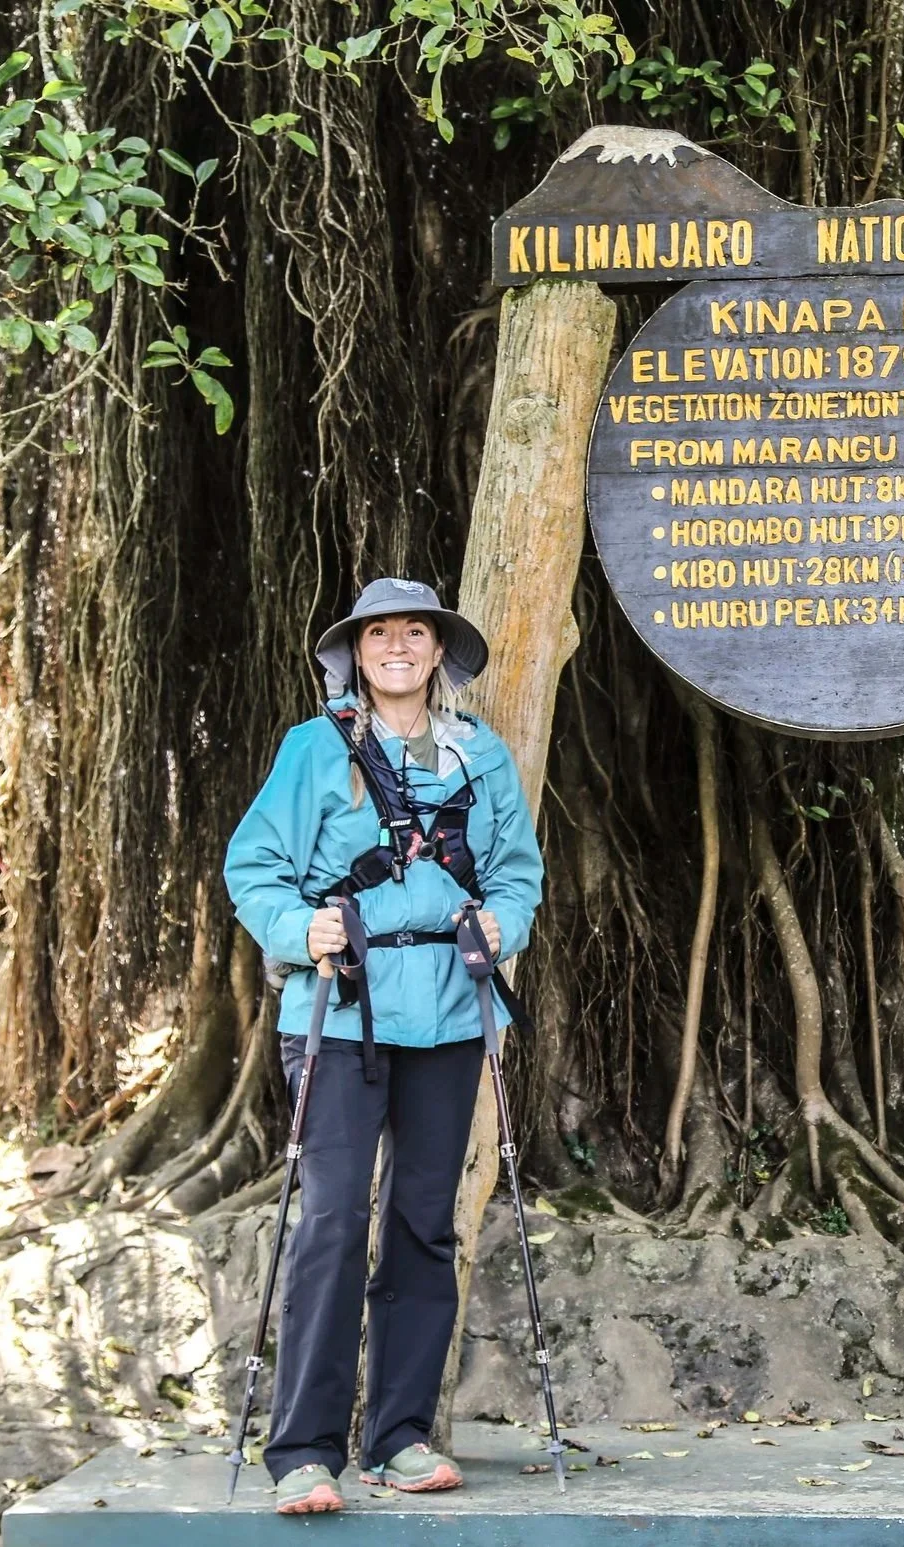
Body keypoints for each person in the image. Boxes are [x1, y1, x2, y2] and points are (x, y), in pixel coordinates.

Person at [223, 577, 544, 1516]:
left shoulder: (480, 757)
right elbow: (255, 865)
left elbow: (518, 872)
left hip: (448, 1009)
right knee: (328, 1219)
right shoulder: (313, 748)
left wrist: (501, 923)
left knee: (422, 1220)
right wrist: (297, 928)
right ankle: (303, 1448)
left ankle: (399, 1435)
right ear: (355, 653)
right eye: (379, 635)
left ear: (437, 649)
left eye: (415, 632)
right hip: (337, 1011)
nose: (397, 647)